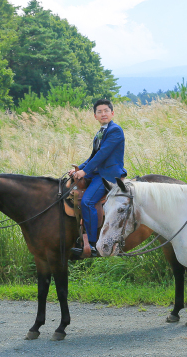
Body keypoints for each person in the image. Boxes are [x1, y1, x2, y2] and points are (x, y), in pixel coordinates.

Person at [69, 98, 126, 258]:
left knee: (87, 201)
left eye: (106, 111)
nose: (103, 114)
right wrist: (79, 168)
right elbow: (93, 156)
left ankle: (93, 245)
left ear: (112, 113)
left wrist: (85, 172)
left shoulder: (115, 130)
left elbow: (102, 155)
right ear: (95, 116)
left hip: (109, 175)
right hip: (97, 173)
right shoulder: (101, 131)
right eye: (99, 112)